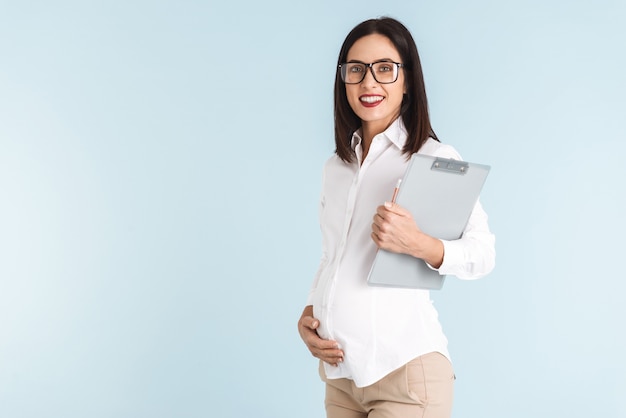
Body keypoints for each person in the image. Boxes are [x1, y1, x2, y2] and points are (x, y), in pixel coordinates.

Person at [297, 17, 496, 418]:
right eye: (356, 70)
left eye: (385, 69)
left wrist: (417, 243)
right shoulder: (336, 167)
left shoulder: (433, 159)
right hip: (341, 378)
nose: (369, 83)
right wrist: (310, 312)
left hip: (405, 375)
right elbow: (331, 256)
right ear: (344, 81)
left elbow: (483, 255)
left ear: (407, 81)